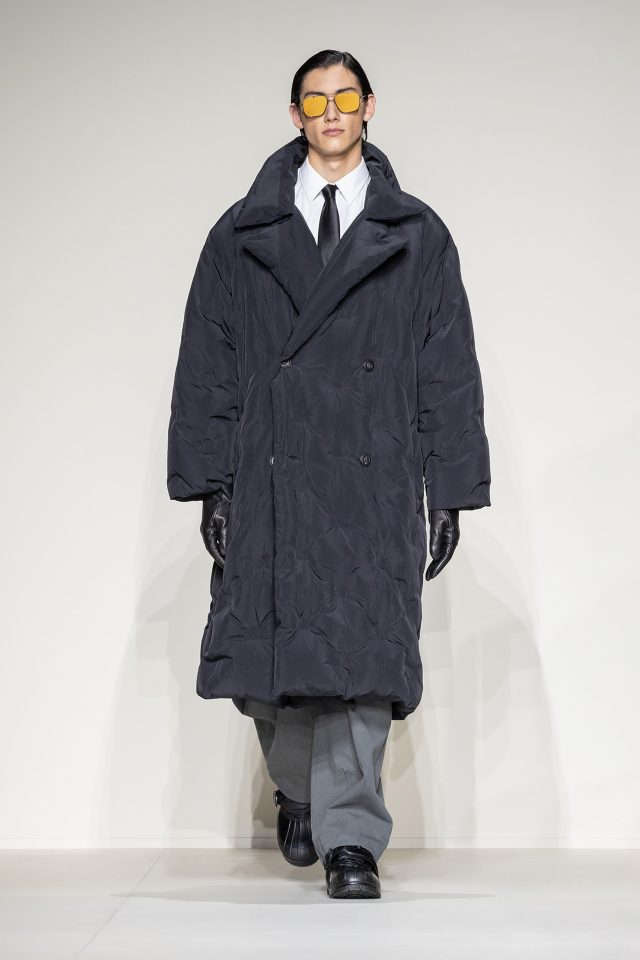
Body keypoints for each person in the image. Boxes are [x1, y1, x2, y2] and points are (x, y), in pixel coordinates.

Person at [167, 49, 491, 899]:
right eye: (316, 100)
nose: (332, 112)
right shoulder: (241, 234)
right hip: (270, 468)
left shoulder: (416, 235)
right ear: (296, 115)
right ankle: (298, 788)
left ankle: (352, 840)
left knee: (362, 655)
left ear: (370, 106)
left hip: (374, 474)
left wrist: (451, 488)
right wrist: (210, 483)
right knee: (269, 658)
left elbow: (447, 366)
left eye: (345, 96)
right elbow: (207, 361)